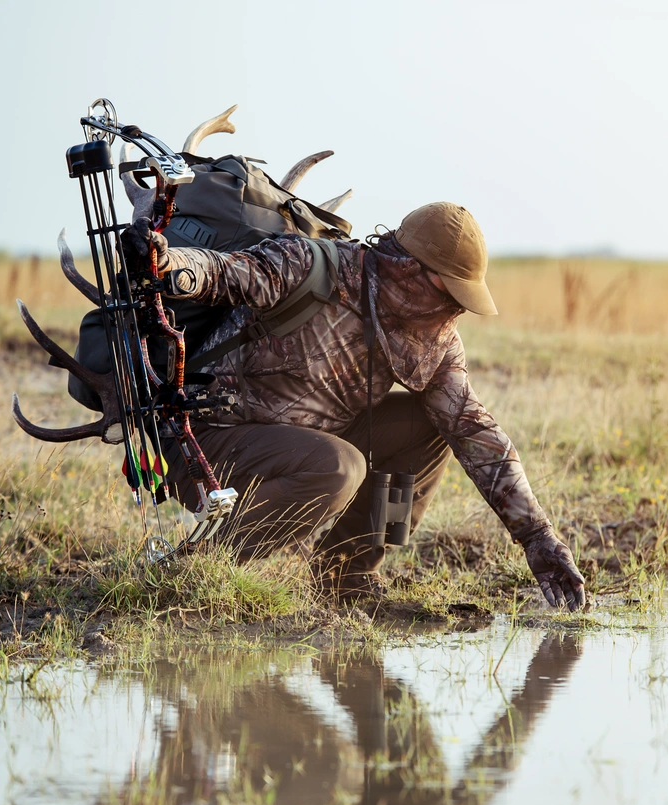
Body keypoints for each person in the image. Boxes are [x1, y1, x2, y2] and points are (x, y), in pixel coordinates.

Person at [121, 202, 586, 610]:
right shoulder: (309, 266)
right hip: (202, 446)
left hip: (307, 450)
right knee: (340, 466)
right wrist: (167, 261)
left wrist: (537, 537)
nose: (455, 311)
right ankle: (195, 569)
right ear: (411, 270)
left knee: (431, 424)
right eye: (450, 294)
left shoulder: (436, 344)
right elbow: (221, 273)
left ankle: (348, 574)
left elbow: (478, 434)